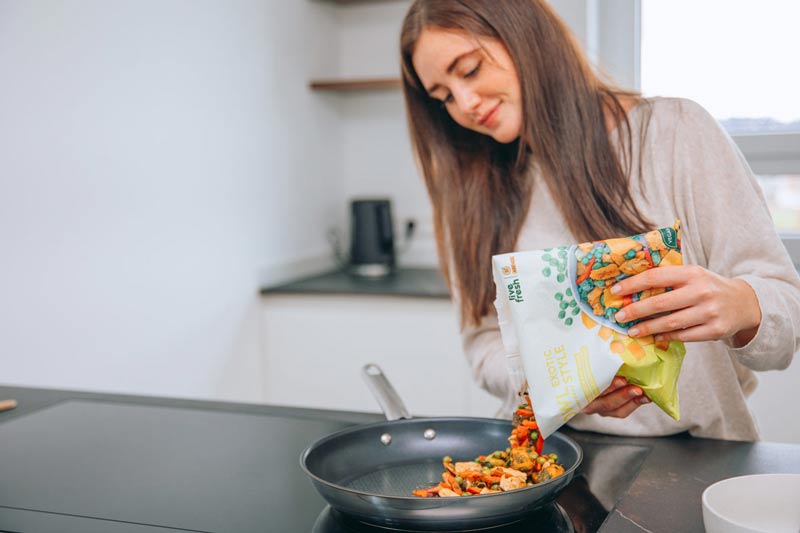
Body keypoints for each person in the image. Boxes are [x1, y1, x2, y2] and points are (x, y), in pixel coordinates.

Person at [399, 0, 800, 441]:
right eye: (444, 97)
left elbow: (785, 319)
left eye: (471, 70)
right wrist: (551, 383)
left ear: (525, 36)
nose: (466, 104)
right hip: (551, 459)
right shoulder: (472, 188)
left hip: (699, 454)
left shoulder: (677, 134)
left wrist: (739, 305)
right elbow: (483, 344)